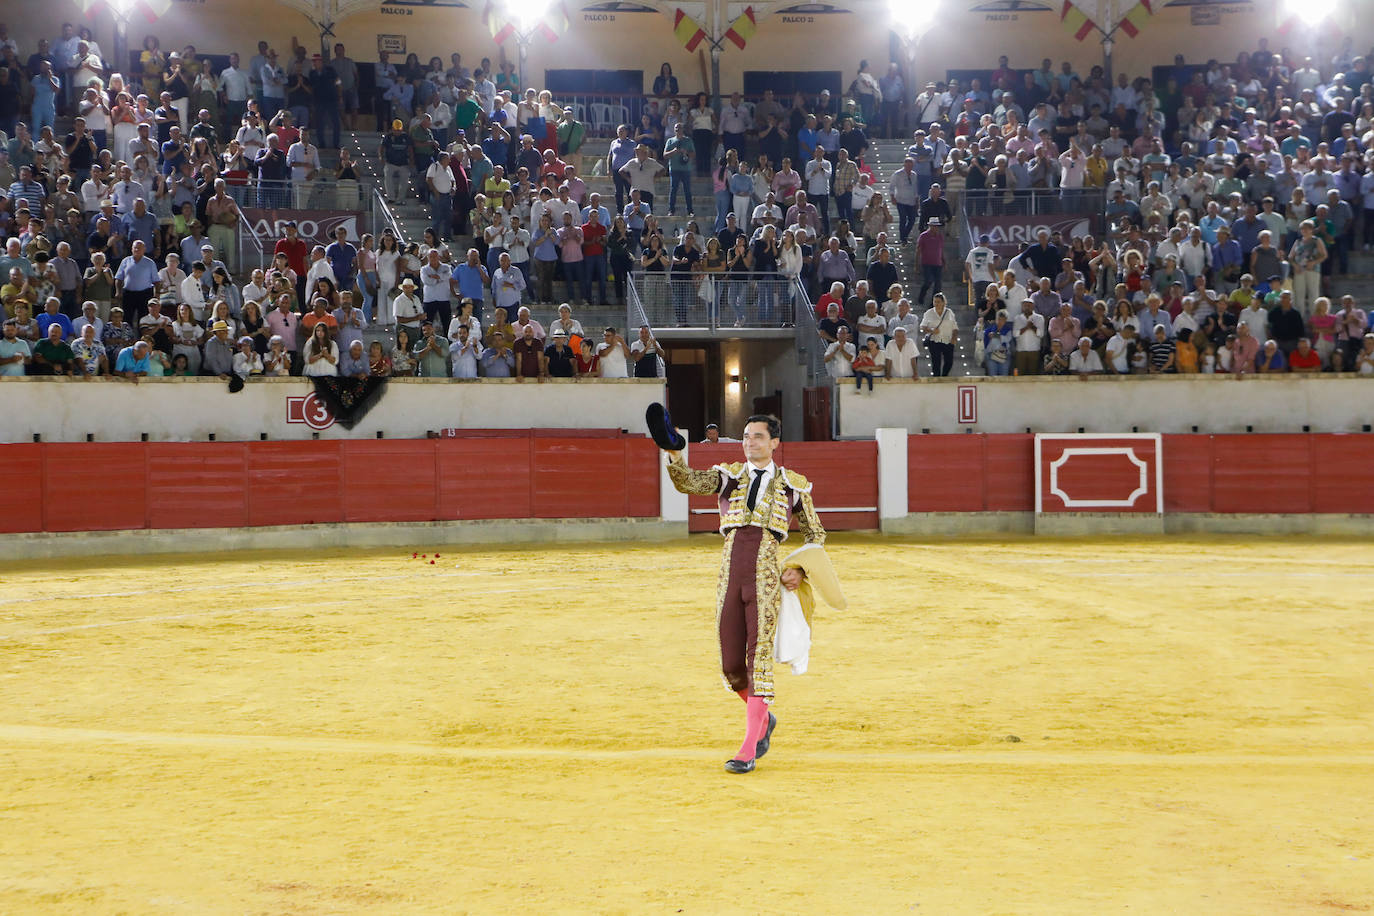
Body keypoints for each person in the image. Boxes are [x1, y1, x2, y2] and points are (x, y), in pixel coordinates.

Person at [664, 414, 827, 774]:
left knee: (758, 662)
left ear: (774, 443)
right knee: (731, 666)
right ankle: (764, 719)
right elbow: (688, 482)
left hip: (767, 577)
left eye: (757, 437)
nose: (749, 442)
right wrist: (675, 453)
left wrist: (799, 569)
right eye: (746, 436)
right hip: (730, 572)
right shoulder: (729, 475)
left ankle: (747, 748)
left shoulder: (792, 485)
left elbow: (816, 534)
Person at [919, 293, 957, 376]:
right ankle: (936, 378)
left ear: (943, 302)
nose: (937, 304)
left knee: (949, 362)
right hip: (934, 340)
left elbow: (954, 326)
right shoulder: (929, 313)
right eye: (935, 302)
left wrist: (954, 338)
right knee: (936, 362)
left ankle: (944, 376)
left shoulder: (949, 312)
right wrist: (931, 330)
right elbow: (922, 326)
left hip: (948, 340)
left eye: (939, 302)